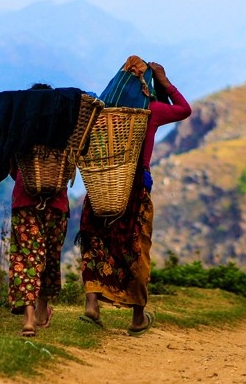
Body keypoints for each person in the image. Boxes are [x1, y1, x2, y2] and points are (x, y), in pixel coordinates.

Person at [77, 60, 192, 336]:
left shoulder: (101, 109)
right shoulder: (149, 111)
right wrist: (165, 82)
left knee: (95, 243)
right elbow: (184, 110)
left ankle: (92, 305)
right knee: (136, 246)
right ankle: (138, 316)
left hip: (102, 188)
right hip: (135, 189)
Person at [5, 83, 71, 337]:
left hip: (25, 202)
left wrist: (28, 182)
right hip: (56, 205)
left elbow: (12, 168)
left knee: (26, 258)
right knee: (50, 259)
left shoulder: (21, 133)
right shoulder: (64, 134)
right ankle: (44, 309)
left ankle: (29, 320)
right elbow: (69, 170)